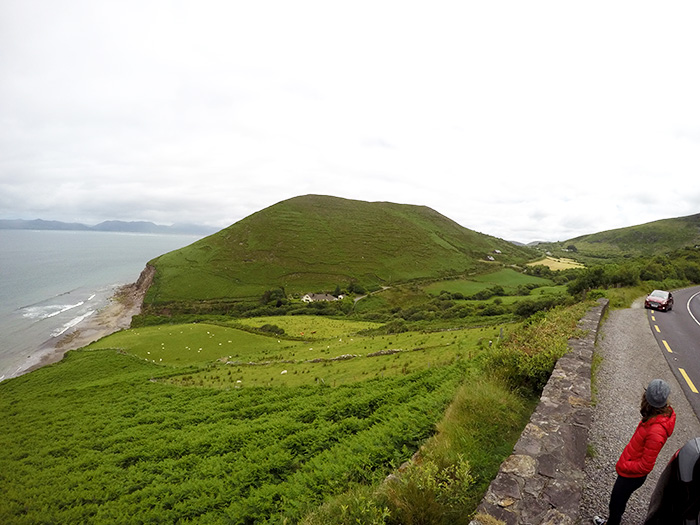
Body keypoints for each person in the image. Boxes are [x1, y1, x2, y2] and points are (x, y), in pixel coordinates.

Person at [593, 379, 676, 525]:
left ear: (647, 399)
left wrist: (624, 465)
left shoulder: (656, 430)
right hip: (631, 472)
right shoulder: (654, 418)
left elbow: (646, 465)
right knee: (619, 503)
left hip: (631, 476)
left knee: (615, 505)